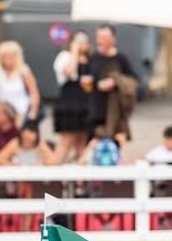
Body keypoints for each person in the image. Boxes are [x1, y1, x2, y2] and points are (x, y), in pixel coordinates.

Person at [87, 25, 139, 152]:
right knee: (94, 143)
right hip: (95, 108)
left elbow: (134, 80)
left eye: (105, 37)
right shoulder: (93, 58)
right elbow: (87, 79)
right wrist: (97, 84)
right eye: (99, 37)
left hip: (115, 109)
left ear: (113, 39)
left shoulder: (121, 59)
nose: (101, 41)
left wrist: (116, 82)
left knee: (115, 144)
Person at [52, 31, 91, 163]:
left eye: (84, 40)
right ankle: (55, 167)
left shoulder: (90, 60)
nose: (82, 43)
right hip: (70, 103)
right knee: (67, 139)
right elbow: (69, 72)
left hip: (85, 103)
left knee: (83, 141)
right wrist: (74, 52)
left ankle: (80, 170)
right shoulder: (65, 57)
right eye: (78, 40)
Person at [0, 40, 40, 126]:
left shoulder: (24, 72)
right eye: (5, 56)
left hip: (20, 112)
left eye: (11, 56)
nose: (8, 59)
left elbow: (34, 93)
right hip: (2, 114)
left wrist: (33, 112)